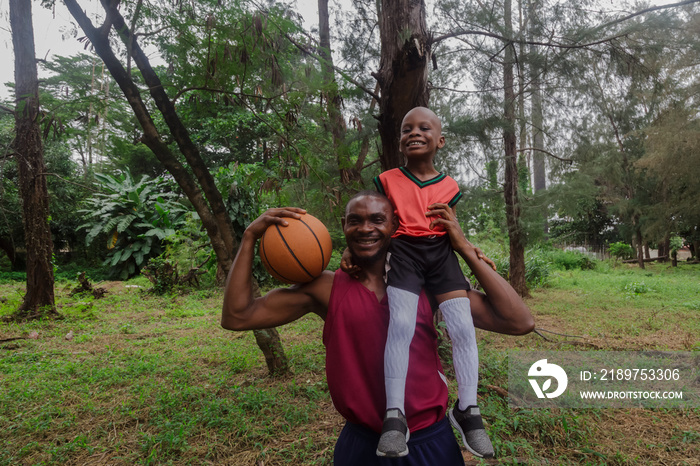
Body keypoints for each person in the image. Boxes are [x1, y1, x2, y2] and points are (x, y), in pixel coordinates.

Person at [221, 191, 534, 465]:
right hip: (363, 443)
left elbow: (519, 321)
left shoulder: (428, 286)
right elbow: (238, 316)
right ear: (343, 228)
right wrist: (249, 236)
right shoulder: (325, 288)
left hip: (429, 440)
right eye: (354, 220)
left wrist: (464, 248)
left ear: (394, 225)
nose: (365, 228)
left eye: (376, 219)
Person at [342, 107, 495, 458]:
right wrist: (352, 250)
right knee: (401, 326)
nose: (414, 132)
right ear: (399, 142)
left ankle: (468, 410)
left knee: (463, 329)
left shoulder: (450, 185)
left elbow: (451, 228)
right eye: (406, 128)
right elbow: (374, 223)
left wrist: (470, 249)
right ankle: (394, 417)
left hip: (441, 254)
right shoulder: (388, 179)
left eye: (424, 128)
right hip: (406, 253)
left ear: (439, 140)